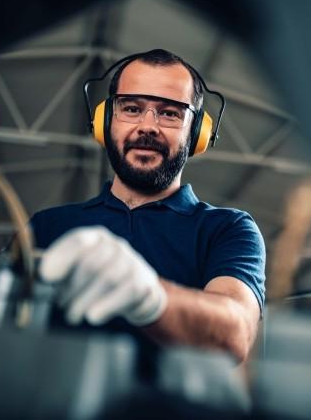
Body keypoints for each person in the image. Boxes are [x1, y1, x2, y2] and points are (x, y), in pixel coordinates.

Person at [31, 49, 265, 362]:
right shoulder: (46, 226)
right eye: (131, 108)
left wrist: (149, 297)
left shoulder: (227, 229)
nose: (148, 126)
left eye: (170, 113)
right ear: (105, 121)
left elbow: (236, 333)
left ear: (197, 133)